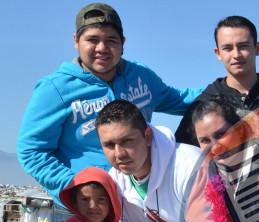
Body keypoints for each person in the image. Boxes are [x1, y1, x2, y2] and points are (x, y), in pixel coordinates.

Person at [17, 3, 201, 204]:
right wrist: (76, 185)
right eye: (92, 40)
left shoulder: (140, 76)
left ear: (123, 43)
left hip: (139, 202)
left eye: (111, 40)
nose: (102, 48)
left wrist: (230, 86)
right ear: (76, 41)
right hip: (85, 210)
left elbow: (180, 100)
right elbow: (31, 151)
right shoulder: (55, 89)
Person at [175, 15, 259, 146]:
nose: (236, 55)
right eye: (227, 48)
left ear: (257, 48)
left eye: (243, 46)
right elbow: (183, 154)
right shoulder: (203, 104)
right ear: (218, 53)